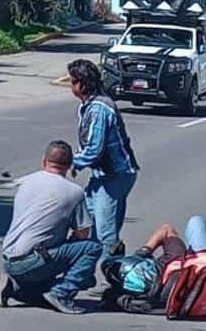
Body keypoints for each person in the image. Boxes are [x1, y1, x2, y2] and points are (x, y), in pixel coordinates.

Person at [0, 141, 102, 315]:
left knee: (44, 289)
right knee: (92, 248)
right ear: (69, 165)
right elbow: (83, 233)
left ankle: (15, 286)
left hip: (10, 258)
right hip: (34, 260)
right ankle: (61, 293)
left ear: (44, 161)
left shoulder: (26, 181)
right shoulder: (74, 192)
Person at [67, 60, 139, 268]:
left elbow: (94, 149)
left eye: (72, 81)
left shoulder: (99, 109)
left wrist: (71, 163)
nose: (70, 87)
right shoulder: (89, 106)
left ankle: (112, 276)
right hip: (102, 174)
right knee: (87, 221)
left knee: (105, 229)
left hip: (115, 174)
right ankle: (88, 268)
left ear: (82, 84)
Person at [134, 215, 206, 266]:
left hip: (196, 276)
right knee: (197, 221)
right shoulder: (171, 259)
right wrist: (144, 251)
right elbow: (166, 230)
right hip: (200, 267)